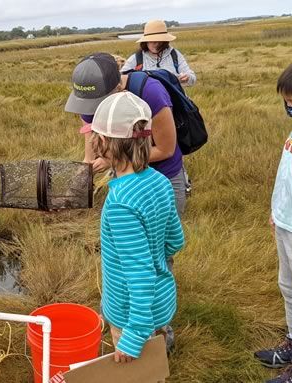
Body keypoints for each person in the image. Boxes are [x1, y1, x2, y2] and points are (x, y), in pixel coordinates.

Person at [90, 91, 184, 362]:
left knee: (136, 374)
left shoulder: (120, 204)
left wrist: (132, 335)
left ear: (105, 143)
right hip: (161, 302)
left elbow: (140, 275)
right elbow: (175, 241)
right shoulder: (160, 180)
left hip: (131, 314)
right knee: (155, 365)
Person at [65, 52, 189, 217]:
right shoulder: (88, 102)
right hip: (124, 176)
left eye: (97, 103)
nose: (93, 110)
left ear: (118, 86)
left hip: (163, 176)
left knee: (163, 232)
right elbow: (90, 157)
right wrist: (69, 193)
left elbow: (165, 150)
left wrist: (112, 159)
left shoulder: (150, 92)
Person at [254, 63, 292, 383]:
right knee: (288, 287)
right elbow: (286, 175)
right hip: (285, 223)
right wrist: (276, 211)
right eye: (287, 105)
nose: (289, 110)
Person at [121, 20, 196, 86]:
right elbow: (120, 79)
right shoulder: (137, 58)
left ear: (165, 41)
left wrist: (187, 78)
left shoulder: (174, 55)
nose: (156, 44)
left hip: (174, 100)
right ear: (145, 42)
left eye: (159, 41)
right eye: (152, 41)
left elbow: (192, 78)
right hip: (145, 101)